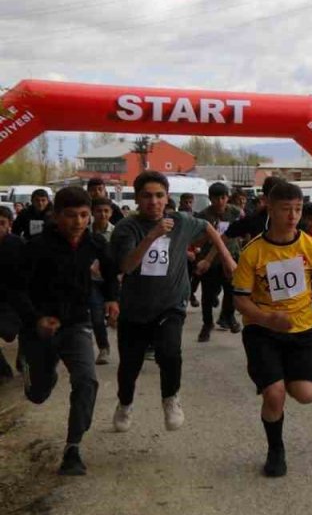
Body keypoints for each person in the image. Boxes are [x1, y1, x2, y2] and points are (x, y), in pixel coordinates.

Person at [110, 171, 237, 434]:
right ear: (137, 199)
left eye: (159, 195)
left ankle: (170, 399)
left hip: (171, 303)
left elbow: (208, 228)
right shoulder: (127, 228)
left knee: (169, 353)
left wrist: (225, 258)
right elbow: (127, 265)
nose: (153, 202)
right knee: (129, 366)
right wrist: (152, 236)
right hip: (135, 308)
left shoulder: (180, 221)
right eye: (146, 196)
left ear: (167, 197)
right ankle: (125, 403)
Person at [232, 182, 312, 476]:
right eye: (286, 209)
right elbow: (240, 300)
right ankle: (275, 449)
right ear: (270, 209)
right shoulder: (253, 252)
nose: (293, 215)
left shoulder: (311, 246)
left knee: (307, 394)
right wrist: (267, 318)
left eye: (297, 209)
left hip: (301, 331)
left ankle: (284, 375)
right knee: (275, 395)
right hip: (262, 331)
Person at [5, 187, 118, 475]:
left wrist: (112, 299)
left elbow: (110, 271)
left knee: (86, 381)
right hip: (38, 329)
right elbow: (15, 289)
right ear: (56, 217)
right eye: (70, 216)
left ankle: (73, 448)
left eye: (83, 215)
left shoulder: (95, 244)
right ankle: (38, 372)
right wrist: (36, 319)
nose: (78, 222)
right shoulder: (35, 248)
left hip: (76, 324)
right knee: (39, 394)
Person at [195, 182, 243, 342]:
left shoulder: (235, 212)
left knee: (232, 291)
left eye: (223, 198)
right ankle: (207, 324)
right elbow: (196, 240)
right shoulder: (202, 216)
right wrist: (209, 236)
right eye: (216, 198)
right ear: (210, 199)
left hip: (231, 257)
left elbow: (244, 230)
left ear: (227, 197)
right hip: (210, 261)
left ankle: (229, 317)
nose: (220, 202)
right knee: (208, 295)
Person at [87, 198, 116, 364]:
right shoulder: (86, 233)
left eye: (106, 211)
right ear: (93, 212)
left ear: (111, 212)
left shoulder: (117, 232)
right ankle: (103, 347)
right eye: (99, 211)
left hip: (114, 280)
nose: (102, 214)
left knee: (118, 316)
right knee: (96, 316)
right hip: (93, 281)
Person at [0, 206, 23, 379]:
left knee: (22, 331)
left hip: (16, 300)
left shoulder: (18, 245)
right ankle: (2, 370)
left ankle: (24, 358)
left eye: (1, 223)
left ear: (9, 224)